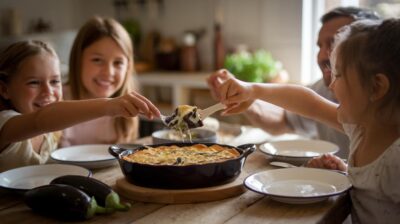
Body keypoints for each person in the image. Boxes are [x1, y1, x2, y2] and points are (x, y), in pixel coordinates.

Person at [212, 19, 400, 224]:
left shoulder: (395, 159)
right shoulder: (361, 130)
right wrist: (253, 90)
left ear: (376, 87)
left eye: (339, 75)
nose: (332, 86)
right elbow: (307, 102)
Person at [207, 7, 380, 159]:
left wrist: (253, 90)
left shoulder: (376, 123)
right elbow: (292, 114)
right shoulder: (324, 88)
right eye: (319, 46)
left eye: (335, 43)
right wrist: (245, 96)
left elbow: (310, 103)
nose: (322, 56)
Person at [0, 40, 160, 172]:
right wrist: (108, 105)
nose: (48, 91)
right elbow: (41, 120)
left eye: (55, 81)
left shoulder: (50, 134)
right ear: (4, 89)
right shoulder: (6, 123)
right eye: (34, 82)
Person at [60, 16, 141, 147]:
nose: (108, 72)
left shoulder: (128, 110)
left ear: (128, 67)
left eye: (118, 63)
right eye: (97, 60)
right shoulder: (57, 99)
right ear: (77, 60)